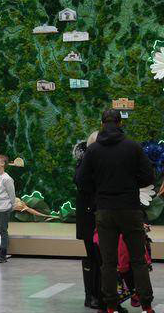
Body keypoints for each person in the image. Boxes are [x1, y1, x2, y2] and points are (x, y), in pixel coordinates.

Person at [75, 109, 155, 313]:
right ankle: (146, 305)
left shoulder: (93, 150)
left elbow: (81, 180)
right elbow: (148, 176)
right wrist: (131, 184)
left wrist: (100, 188)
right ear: (120, 123)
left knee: (108, 263)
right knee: (138, 260)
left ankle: (110, 306)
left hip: (105, 210)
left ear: (102, 124)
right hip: (130, 209)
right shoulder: (133, 147)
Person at [73, 132, 101, 309]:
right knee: (94, 256)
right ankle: (92, 295)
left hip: (93, 215)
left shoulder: (87, 163)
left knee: (97, 256)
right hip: (90, 216)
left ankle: (96, 294)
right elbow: (82, 183)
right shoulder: (86, 164)